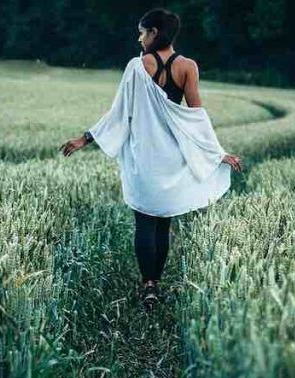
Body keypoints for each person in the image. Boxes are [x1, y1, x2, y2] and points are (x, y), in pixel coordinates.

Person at [60, 8, 243, 311]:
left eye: (142, 32)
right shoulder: (188, 67)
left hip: (143, 158)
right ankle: (155, 284)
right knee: (163, 222)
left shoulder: (136, 66)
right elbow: (195, 118)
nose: (139, 37)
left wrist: (85, 139)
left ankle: (148, 285)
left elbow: (118, 113)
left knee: (144, 221)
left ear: (154, 32)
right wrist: (217, 153)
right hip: (172, 158)